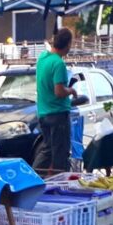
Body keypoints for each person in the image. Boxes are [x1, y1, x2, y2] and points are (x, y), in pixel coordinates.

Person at [33, 28, 77, 174]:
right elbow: (59, 91)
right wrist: (71, 90)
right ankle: (60, 185)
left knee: (47, 150)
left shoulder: (43, 57)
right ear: (68, 44)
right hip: (58, 114)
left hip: (43, 113)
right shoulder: (59, 64)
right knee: (60, 154)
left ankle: (33, 177)